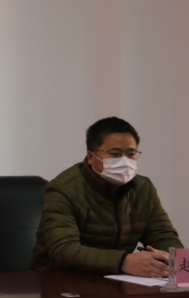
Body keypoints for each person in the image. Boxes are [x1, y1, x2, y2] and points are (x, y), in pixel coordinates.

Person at [32, 116, 182, 276]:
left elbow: (163, 235)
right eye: (115, 154)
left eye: (131, 154)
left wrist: (179, 264)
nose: (124, 161)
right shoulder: (64, 189)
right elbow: (63, 250)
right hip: (61, 278)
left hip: (118, 277)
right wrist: (125, 262)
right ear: (91, 157)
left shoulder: (143, 188)